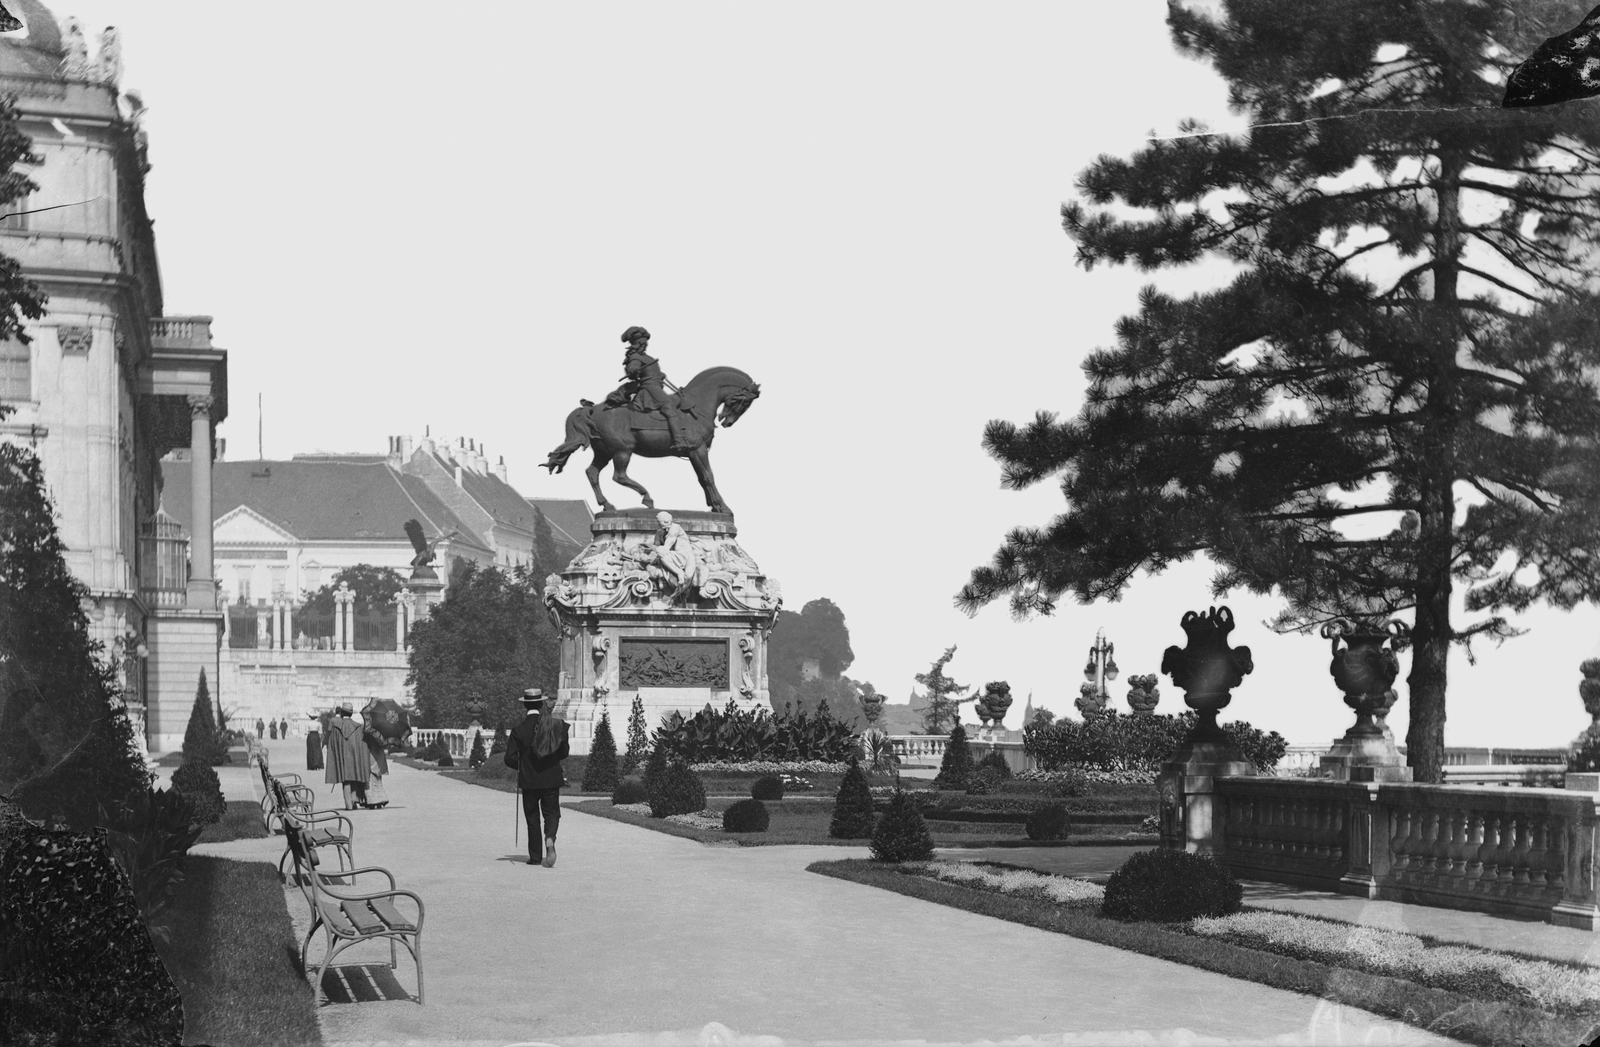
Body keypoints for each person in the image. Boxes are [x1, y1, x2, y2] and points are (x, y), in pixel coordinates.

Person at [504, 688, 569, 867]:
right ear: (541, 704)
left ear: (525, 705)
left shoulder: (518, 730)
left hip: (529, 780)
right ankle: (550, 838)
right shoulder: (554, 725)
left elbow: (509, 758)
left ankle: (534, 857)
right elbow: (564, 752)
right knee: (551, 813)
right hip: (551, 778)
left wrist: (523, 764)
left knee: (532, 818)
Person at [602, 326, 691, 451]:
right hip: (650, 389)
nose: (645, 345)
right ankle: (678, 440)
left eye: (645, 343)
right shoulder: (636, 357)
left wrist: (659, 375)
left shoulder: (648, 358)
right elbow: (632, 367)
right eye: (642, 343)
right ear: (637, 344)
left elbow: (650, 371)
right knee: (669, 408)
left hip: (656, 387)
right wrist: (632, 369)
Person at [323, 703, 369, 810]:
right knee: (354, 777)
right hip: (354, 756)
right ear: (351, 714)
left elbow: (332, 744)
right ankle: (353, 800)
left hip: (342, 756)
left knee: (345, 780)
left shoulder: (337, 727)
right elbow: (362, 744)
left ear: (342, 713)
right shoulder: (358, 727)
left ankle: (348, 803)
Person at [358, 701, 390, 810]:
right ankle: (381, 799)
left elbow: (365, 745)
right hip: (379, 755)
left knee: (371, 779)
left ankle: (372, 800)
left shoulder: (368, 732)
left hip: (371, 755)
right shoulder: (384, 731)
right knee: (378, 778)